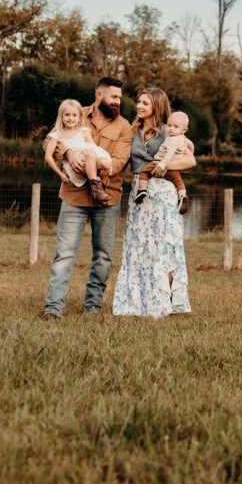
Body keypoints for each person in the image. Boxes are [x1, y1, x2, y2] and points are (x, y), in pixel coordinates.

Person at [43, 77, 134, 319]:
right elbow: (50, 141)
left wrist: (94, 167)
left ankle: (92, 307)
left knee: (103, 257)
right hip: (74, 197)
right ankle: (53, 308)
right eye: (113, 97)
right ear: (99, 95)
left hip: (108, 198)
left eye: (119, 98)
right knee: (64, 253)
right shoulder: (75, 113)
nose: (117, 102)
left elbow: (119, 161)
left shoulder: (124, 127)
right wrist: (68, 152)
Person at [113, 89, 195, 318]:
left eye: (144, 103)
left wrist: (166, 165)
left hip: (162, 194)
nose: (139, 106)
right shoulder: (132, 131)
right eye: (139, 101)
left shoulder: (169, 131)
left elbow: (191, 160)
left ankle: (164, 299)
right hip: (139, 194)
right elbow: (121, 158)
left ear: (156, 106)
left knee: (162, 247)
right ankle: (137, 302)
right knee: (139, 248)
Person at [44, 99, 113, 204]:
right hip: (76, 168)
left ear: (80, 117)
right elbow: (48, 157)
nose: (71, 118)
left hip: (89, 162)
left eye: (74, 115)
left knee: (106, 163)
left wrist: (108, 162)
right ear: (61, 116)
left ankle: (100, 188)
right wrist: (60, 174)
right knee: (89, 152)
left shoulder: (84, 132)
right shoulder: (57, 135)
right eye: (67, 115)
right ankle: (96, 189)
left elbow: (95, 149)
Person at [134, 110, 193, 213]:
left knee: (144, 172)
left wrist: (162, 164)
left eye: (175, 127)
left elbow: (171, 154)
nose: (170, 128)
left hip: (158, 163)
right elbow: (189, 144)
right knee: (178, 182)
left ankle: (142, 189)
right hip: (172, 170)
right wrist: (191, 149)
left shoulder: (171, 139)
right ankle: (182, 196)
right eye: (169, 125)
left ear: (184, 130)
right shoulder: (181, 138)